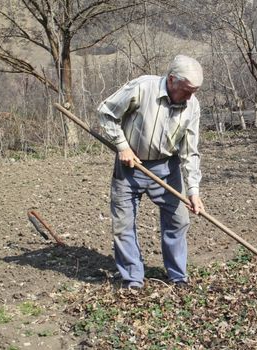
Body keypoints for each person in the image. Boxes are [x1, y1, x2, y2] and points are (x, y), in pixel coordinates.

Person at [97, 55, 205, 289]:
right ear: (172, 79)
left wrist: (194, 191)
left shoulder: (192, 105)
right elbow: (106, 112)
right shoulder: (142, 88)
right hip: (130, 167)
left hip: (168, 168)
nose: (190, 96)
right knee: (123, 225)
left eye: (194, 91)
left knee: (178, 221)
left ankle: (178, 276)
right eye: (187, 90)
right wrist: (122, 146)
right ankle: (133, 279)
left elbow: (190, 150)